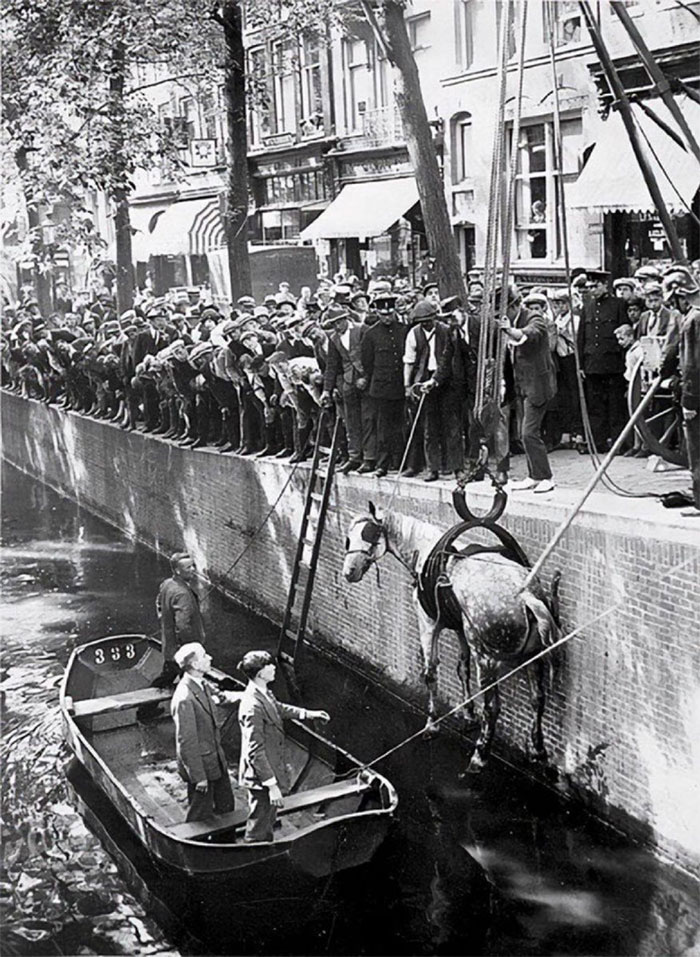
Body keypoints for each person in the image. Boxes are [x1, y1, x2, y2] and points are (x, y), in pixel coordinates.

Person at [238, 651, 330, 842]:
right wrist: (272, 786)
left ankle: (265, 844)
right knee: (259, 823)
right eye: (269, 665)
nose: (274, 668)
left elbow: (278, 708)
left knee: (267, 818)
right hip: (261, 777)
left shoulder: (263, 693)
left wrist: (308, 714)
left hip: (270, 768)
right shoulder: (252, 706)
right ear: (261, 673)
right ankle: (254, 851)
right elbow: (255, 752)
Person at [171, 642, 240, 822]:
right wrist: (199, 777)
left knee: (227, 807)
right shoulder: (185, 699)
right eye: (204, 655)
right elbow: (186, 742)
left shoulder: (201, 684)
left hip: (216, 760)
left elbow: (221, 697)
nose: (210, 657)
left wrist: (250, 695)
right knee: (200, 813)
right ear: (195, 665)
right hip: (202, 767)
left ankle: (226, 837)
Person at [500, 291, 557, 493]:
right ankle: (534, 475)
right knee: (523, 434)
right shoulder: (513, 319)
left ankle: (546, 477)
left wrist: (510, 331)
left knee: (529, 433)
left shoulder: (534, 317)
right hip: (521, 386)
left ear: (514, 306)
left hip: (537, 386)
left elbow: (530, 333)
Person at [659, 268, 700, 516]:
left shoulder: (693, 320)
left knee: (697, 450)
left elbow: (692, 365)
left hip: (697, 396)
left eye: (674, 302)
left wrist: (689, 402)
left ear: (681, 295)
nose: (674, 307)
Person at [155, 551, 206, 687]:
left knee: (167, 676)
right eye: (188, 567)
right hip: (183, 652)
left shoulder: (167, 584)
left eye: (193, 566)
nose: (193, 570)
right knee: (189, 681)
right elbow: (183, 626)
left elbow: (159, 603)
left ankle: (151, 699)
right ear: (178, 571)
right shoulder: (182, 594)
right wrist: (191, 651)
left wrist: (165, 621)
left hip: (170, 646)